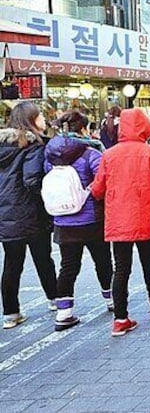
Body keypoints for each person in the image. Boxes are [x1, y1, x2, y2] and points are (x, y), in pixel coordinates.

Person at [90, 108, 150, 337]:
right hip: (145, 218)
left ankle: (120, 318)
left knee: (121, 269)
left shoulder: (109, 154)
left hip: (118, 220)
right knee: (149, 262)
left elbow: (98, 190)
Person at [44, 110, 113, 331]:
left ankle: (64, 313)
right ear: (83, 128)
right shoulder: (91, 153)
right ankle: (112, 300)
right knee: (102, 260)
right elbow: (104, 181)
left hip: (63, 221)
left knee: (68, 266)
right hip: (92, 219)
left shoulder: (51, 155)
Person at [0, 102, 58, 329]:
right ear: (31, 120)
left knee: (12, 263)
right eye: (40, 115)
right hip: (31, 213)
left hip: (6, 215)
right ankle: (55, 300)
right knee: (43, 258)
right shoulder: (33, 145)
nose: (44, 118)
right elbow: (32, 180)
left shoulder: (3, 146)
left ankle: (11, 313)